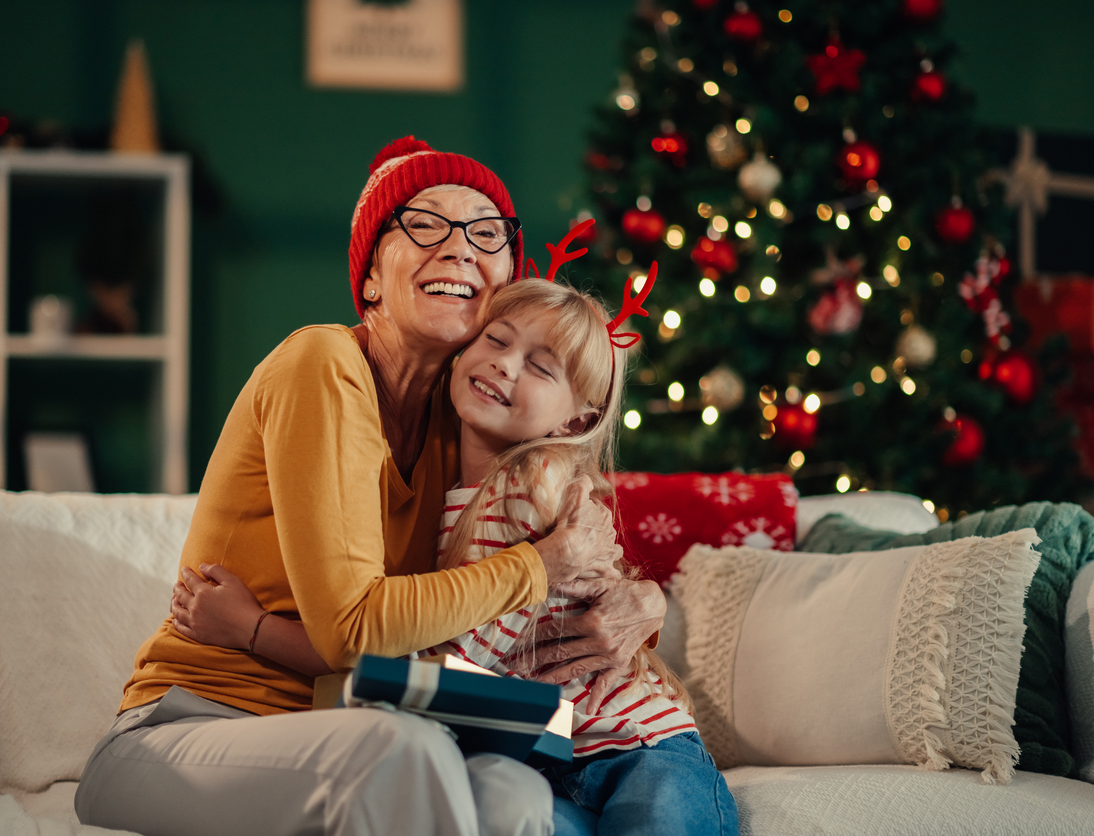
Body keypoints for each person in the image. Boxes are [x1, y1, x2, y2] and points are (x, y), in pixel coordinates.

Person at [74, 136, 668, 836]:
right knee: (401, 750)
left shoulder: (471, 422)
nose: (458, 248)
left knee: (515, 794)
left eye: (485, 233)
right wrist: (539, 567)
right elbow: (357, 629)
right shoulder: (322, 366)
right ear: (371, 280)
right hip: (188, 728)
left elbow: (583, 529)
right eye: (423, 224)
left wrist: (646, 601)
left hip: (358, 725)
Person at [173, 277, 738, 836]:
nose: (504, 364)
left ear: (576, 422)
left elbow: (439, 668)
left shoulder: (529, 485)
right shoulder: (452, 481)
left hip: (634, 744)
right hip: (547, 756)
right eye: (496, 339)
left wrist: (254, 629)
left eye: (540, 367)